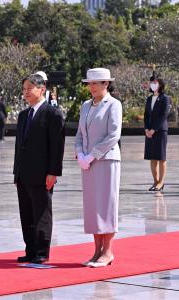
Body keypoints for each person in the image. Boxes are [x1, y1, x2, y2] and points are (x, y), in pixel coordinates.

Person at [13, 73, 65, 264]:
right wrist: (16, 172)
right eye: (24, 89)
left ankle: (42, 252)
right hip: (23, 173)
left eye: (29, 88)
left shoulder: (53, 114)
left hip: (42, 173)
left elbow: (57, 146)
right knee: (26, 213)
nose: (26, 92)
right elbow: (20, 146)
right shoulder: (23, 115)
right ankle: (30, 249)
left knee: (41, 212)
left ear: (41, 89)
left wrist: (53, 172)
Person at [75, 68, 122, 268]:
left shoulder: (113, 104)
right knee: (93, 207)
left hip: (106, 160)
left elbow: (113, 135)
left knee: (106, 205)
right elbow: (79, 134)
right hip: (87, 162)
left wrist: (92, 155)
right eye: (90, 83)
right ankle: (96, 251)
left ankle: (108, 251)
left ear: (106, 84)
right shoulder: (85, 106)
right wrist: (80, 154)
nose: (92, 86)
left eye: (96, 83)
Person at [144, 75, 170, 191]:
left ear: (160, 84)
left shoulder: (165, 98)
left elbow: (163, 115)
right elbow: (146, 114)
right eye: (151, 83)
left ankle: (161, 182)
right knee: (152, 157)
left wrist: (154, 129)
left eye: (155, 83)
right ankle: (155, 181)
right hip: (149, 132)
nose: (152, 84)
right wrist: (146, 129)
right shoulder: (149, 98)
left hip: (160, 131)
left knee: (161, 157)